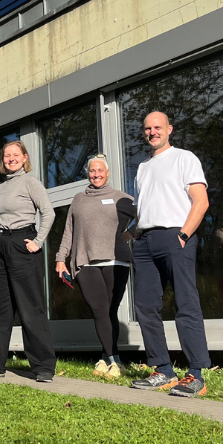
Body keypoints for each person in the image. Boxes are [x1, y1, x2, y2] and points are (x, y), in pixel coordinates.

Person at [129, 111, 211, 398]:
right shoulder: (142, 168)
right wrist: (134, 236)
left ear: (169, 129)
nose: (152, 132)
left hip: (175, 236)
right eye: (148, 128)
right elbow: (146, 207)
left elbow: (201, 201)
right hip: (145, 242)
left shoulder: (184, 158)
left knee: (186, 304)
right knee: (146, 308)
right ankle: (162, 370)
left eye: (158, 127)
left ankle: (196, 374)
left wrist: (184, 235)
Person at [0, 140, 56, 383]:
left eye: (15, 155)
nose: (10, 159)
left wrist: (38, 241)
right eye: (7, 155)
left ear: (24, 157)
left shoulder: (31, 182)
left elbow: (49, 213)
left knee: (30, 308)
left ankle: (43, 367)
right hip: (0, 246)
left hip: (23, 243)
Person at [54, 154, 136, 379]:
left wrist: (130, 233)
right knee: (99, 309)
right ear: (87, 173)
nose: (96, 174)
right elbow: (69, 231)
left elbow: (146, 215)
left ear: (107, 173)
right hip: (85, 261)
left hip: (115, 261)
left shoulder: (121, 198)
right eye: (92, 170)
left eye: (100, 170)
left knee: (109, 311)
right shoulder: (79, 199)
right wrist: (61, 258)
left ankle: (107, 358)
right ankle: (114, 361)